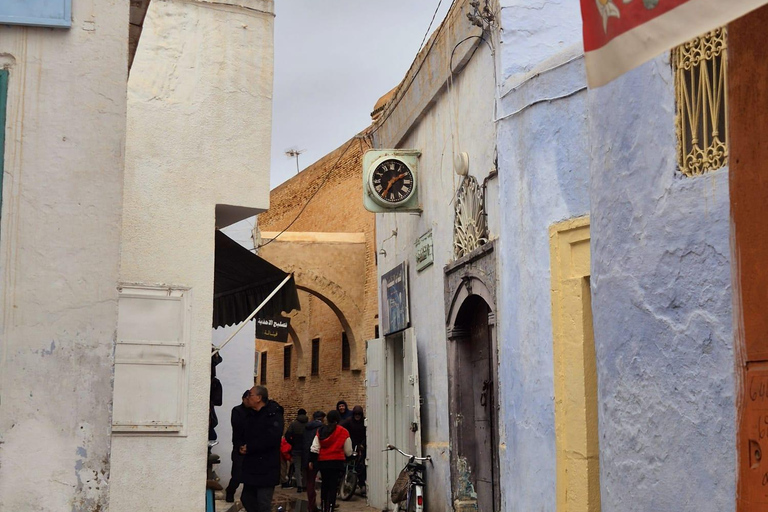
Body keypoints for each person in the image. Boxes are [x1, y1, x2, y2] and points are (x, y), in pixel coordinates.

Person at [239, 386, 284, 512]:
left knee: (263, 503)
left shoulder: (273, 414)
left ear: (259, 398)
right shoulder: (250, 414)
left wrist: (251, 447)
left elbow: (272, 438)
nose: (248, 397)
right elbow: (243, 433)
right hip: (251, 467)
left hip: (266, 468)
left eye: (250, 395)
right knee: (247, 499)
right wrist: (241, 446)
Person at [309, 410, 352, 512]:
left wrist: (312, 461)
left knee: (325, 484)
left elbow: (314, 448)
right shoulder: (343, 431)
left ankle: (324, 505)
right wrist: (349, 457)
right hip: (337, 462)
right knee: (333, 486)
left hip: (323, 462)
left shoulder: (320, 431)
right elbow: (348, 451)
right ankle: (331, 507)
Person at [225, 389, 252, 503]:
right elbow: (237, 428)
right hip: (239, 447)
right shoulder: (237, 410)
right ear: (244, 399)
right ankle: (230, 492)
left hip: (251, 446)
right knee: (237, 474)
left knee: (249, 475)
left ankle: (246, 497)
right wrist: (240, 446)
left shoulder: (254, 412)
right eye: (247, 399)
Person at [303, 411, 326, 512]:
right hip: (319, 458)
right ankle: (324, 503)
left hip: (307, 458)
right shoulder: (322, 429)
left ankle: (311, 505)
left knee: (310, 483)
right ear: (322, 419)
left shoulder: (306, 428)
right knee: (325, 481)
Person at [341, 405, 366, 488]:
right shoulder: (348, 421)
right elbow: (341, 427)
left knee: (361, 464)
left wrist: (363, 443)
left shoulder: (364, 421)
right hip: (350, 443)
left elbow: (368, 433)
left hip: (361, 445)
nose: (357, 416)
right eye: (356, 414)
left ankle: (362, 483)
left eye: (359, 414)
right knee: (347, 461)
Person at [285, 408, 309, 492]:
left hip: (296, 449)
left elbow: (287, 435)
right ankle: (305, 485)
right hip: (306, 449)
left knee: (297, 467)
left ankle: (299, 486)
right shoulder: (308, 424)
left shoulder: (294, 424)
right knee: (305, 468)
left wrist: (292, 443)